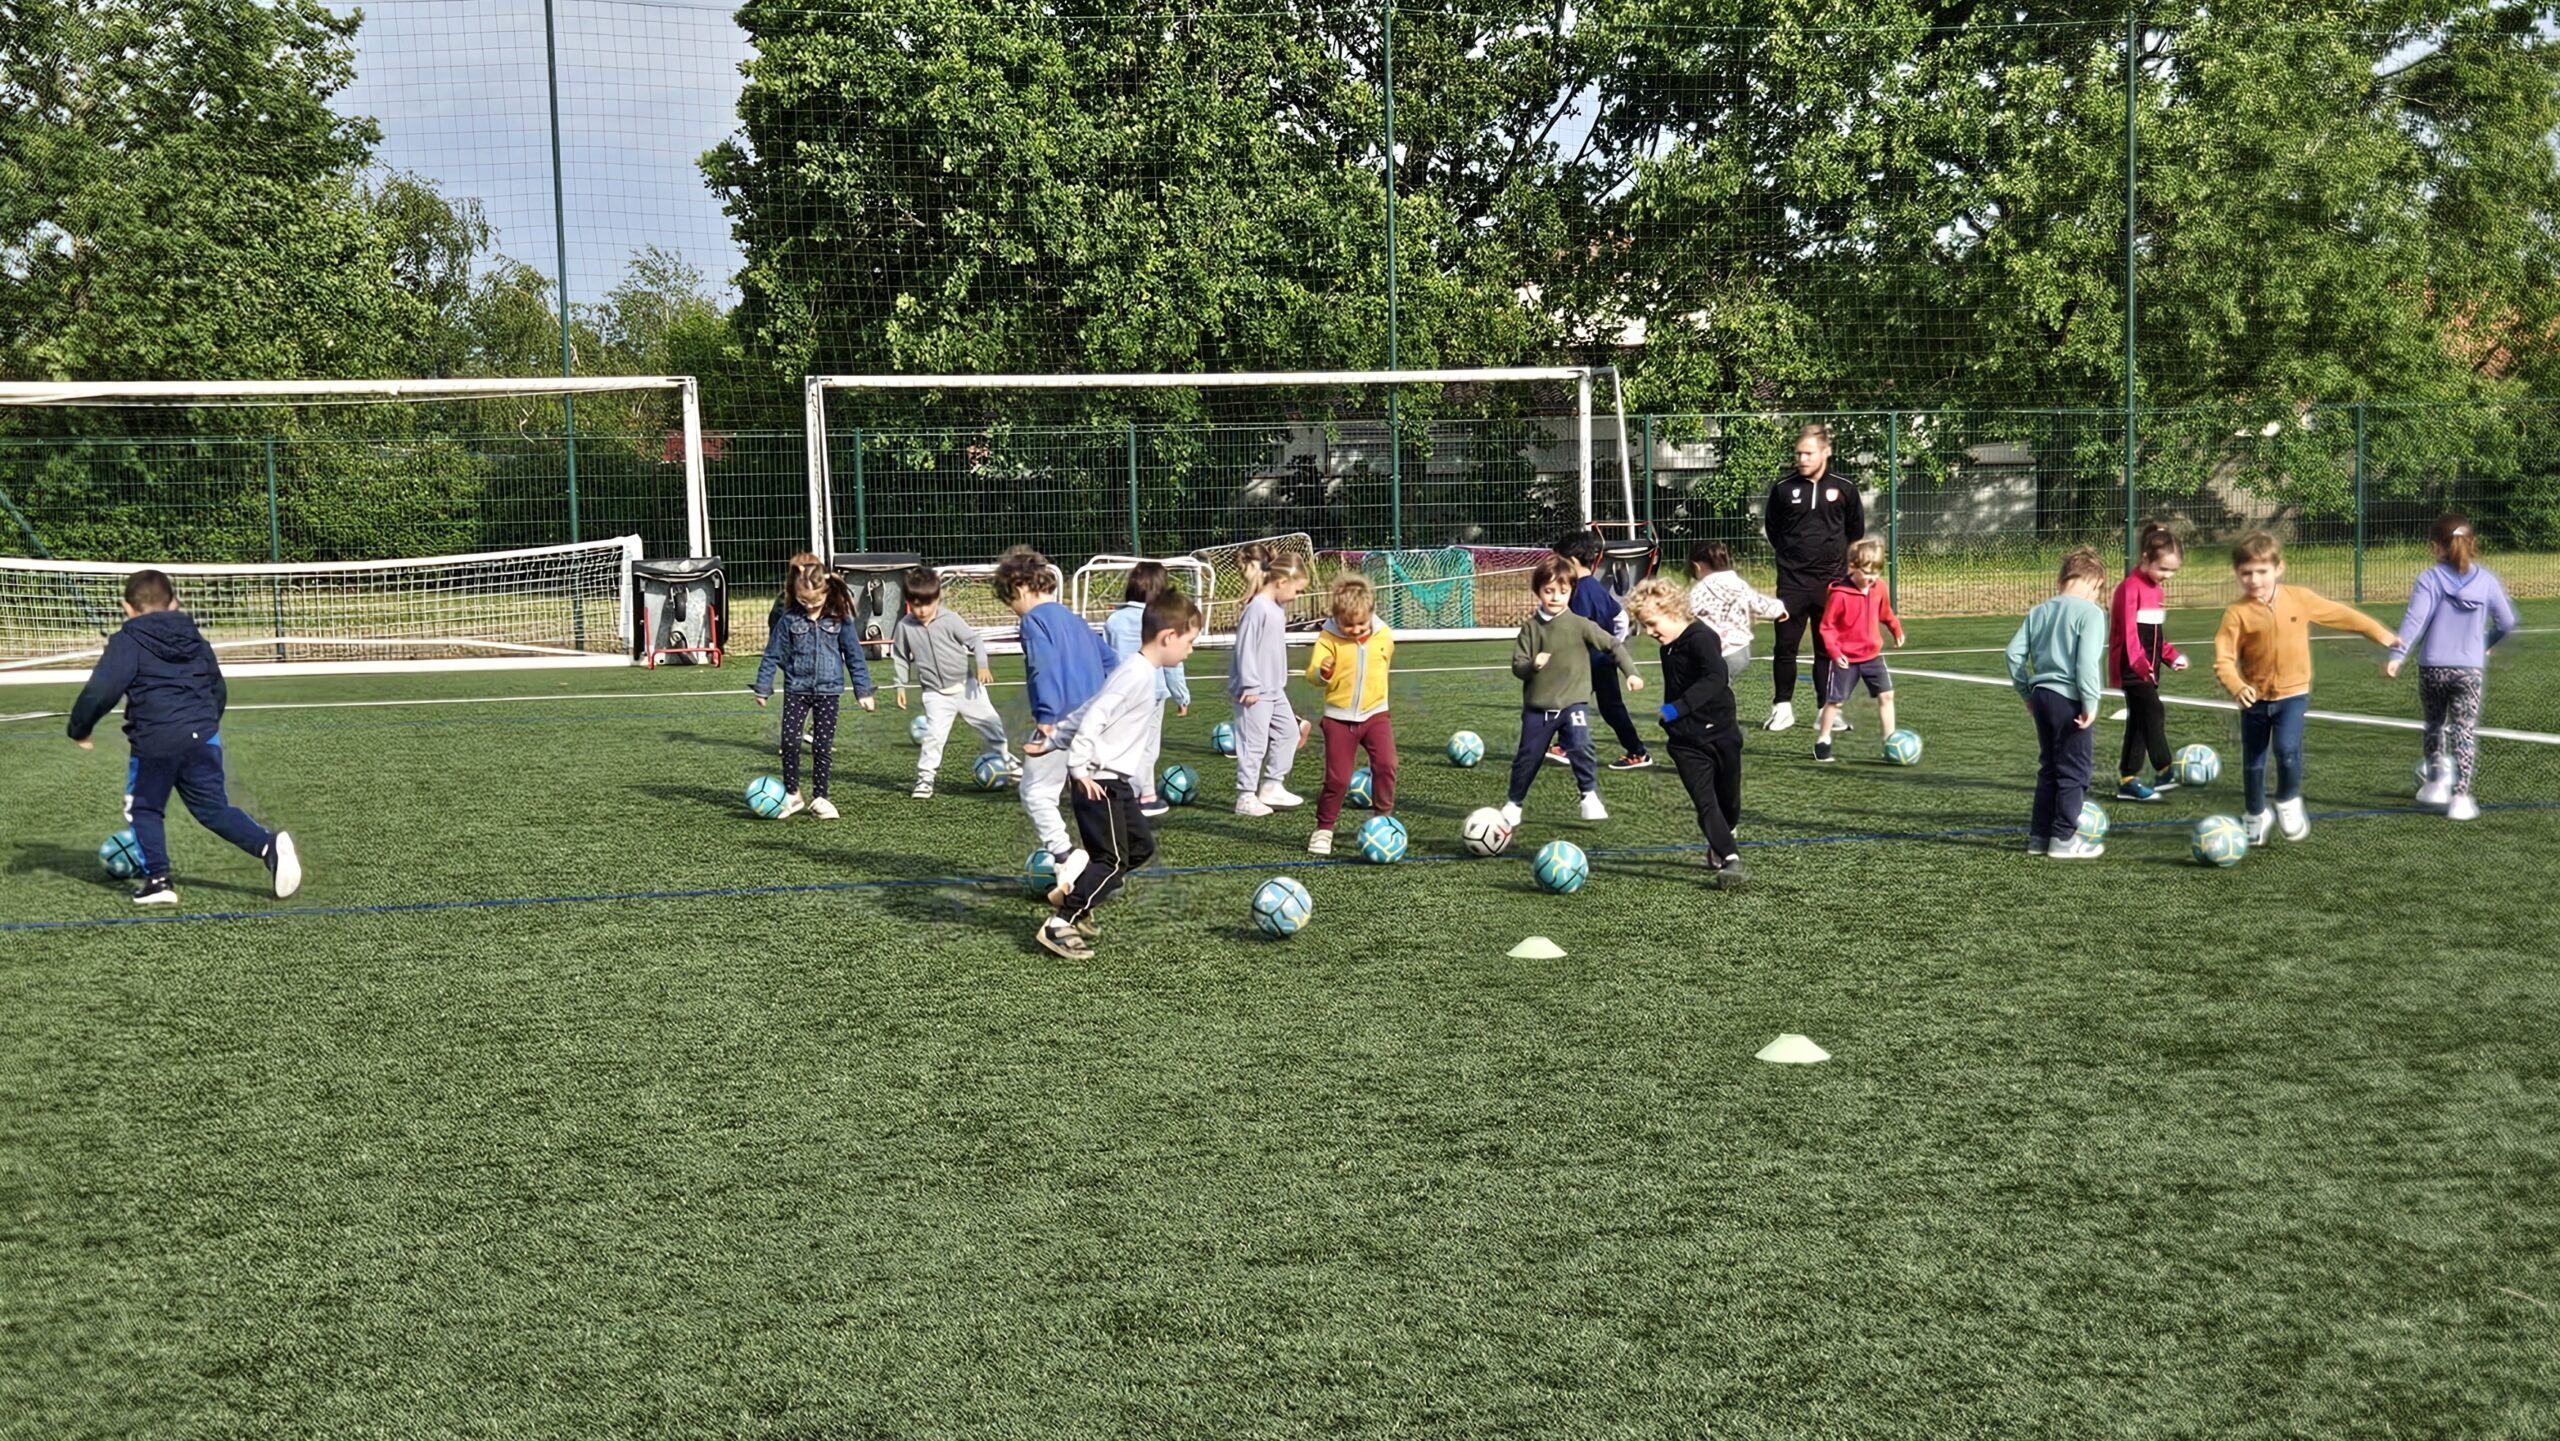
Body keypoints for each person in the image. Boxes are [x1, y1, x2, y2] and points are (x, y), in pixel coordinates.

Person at [66, 569, 302, 905]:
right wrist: (204, 725)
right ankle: (268, 845)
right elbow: (217, 687)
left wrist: (79, 729)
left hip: (156, 741)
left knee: (144, 808)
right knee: (213, 809)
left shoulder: (128, 640)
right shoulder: (195, 637)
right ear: (174, 602)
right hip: (202, 737)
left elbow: (101, 690)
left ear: (127, 606)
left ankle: (158, 881)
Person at [1035, 591, 1203, 960]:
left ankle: (1077, 892)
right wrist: (1078, 768)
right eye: (1189, 642)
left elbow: (1090, 709)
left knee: (1140, 847)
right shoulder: (1137, 674)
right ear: (1168, 637)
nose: (1190, 651)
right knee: (1111, 861)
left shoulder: (1139, 671)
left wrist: (1054, 741)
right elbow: (1095, 716)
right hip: (1099, 783)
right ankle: (1060, 923)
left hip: (1115, 783)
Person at [2211, 531, 2399, 844]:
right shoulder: (2237, 614)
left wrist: (2381, 634)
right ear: (2237, 573)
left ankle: (2287, 801)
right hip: (2254, 700)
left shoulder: (2299, 599)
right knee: (2254, 762)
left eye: (2262, 571)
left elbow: (2341, 615)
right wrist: (2237, 685)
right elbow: (2224, 659)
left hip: (2293, 695)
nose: (2254, 580)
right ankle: (2255, 814)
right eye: (2246, 573)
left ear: (2278, 568)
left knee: (2287, 751)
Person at [2384, 512, 2517, 822]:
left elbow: (2415, 620)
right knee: (2464, 731)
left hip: (2433, 668)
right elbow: (2507, 621)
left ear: (2435, 546)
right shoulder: (2487, 580)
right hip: (2469, 669)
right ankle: (2460, 798)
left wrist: (2397, 656)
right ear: (2473, 543)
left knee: (2434, 725)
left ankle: (2435, 784)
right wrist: (2485, 642)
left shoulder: (2429, 579)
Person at [998, 546, 1115, 891]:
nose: (1015, 611)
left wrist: (1046, 715)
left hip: (1061, 719)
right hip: (1096, 719)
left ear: (1020, 589)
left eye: (1011, 603)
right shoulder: (1076, 620)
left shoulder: (1033, 621)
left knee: (1036, 791)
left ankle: (1065, 855)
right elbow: (1112, 663)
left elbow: (1043, 665)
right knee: (1092, 792)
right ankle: (1106, 867)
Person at [1501, 556, 1644, 828]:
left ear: (1571, 591)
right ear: (1538, 591)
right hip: (1539, 706)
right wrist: (1533, 665)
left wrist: (1632, 673)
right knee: (1528, 757)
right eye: (1549, 590)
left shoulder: (1581, 624)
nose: (1555, 597)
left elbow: (1613, 645)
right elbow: (1518, 666)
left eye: (1563, 591)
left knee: (1581, 745)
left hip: (1573, 703)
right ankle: (1514, 803)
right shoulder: (1530, 628)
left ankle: (1589, 796)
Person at [1627, 577, 1747, 888]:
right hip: (1686, 743)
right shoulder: (1667, 648)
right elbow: (1676, 687)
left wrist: (1677, 708)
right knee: (1705, 802)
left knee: (1729, 802)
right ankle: (1731, 859)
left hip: (1721, 732)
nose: (1650, 632)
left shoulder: (1701, 638)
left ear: (1672, 611)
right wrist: (1672, 719)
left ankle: (1724, 834)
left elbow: (1716, 676)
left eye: (1652, 623)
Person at [752, 554, 876, 819]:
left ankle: (821, 797)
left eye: (815, 601)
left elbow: (854, 656)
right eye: (803, 601)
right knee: (789, 742)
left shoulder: (840, 619)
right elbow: (772, 654)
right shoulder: (789, 619)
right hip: (796, 689)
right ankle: (793, 794)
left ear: (827, 592)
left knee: (822, 746)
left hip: (829, 691)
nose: (809, 606)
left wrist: (863, 691)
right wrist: (763, 686)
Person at [2006, 548, 2112, 859]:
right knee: (2075, 770)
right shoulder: (2091, 613)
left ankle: (2039, 838)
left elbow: (2012, 654)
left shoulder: (2038, 611)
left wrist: (2026, 692)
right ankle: (2064, 839)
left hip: (2041, 696)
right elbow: (2086, 663)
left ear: (2061, 580)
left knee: (2050, 767)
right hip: (2069, 698)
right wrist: (2090, 702)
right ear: (2095, 584)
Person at [1761, 422, 1865, 731]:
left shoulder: (1845, 488)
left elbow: (1855, 531)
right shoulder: (1783, 488)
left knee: (1827, 648)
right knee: (1785, 646)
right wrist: (1793, 557)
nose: (1802, 459)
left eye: (1809, 453)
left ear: (1826, 452)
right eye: (1799, 454)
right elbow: (1773, 529)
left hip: (1831, 583)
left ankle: (1826, 712)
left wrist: (1837, 564)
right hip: (1792, 583)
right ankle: (1782, 708)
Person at [890, 566, 1013, 800]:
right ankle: (925, 779)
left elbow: (975, 641)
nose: (922, 610)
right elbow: (901, 657)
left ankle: (1006, 764)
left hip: (968, 688)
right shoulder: (905, 626)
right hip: (935, 694)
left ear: (937, 598)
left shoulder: (950, 619)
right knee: (934, 737)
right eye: (916, 604)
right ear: (908, 602)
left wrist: (982, 665)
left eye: (927, 604)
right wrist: (900, 685)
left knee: (993, 727)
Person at [1302, 576, 1396, 855]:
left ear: (1371, 613)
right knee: (1338, 779)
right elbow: (1312, 675)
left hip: (1376, 715)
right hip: (1339, 719)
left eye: (1362, 624)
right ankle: (1323, 829)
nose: (1355, 630)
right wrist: (1323, 671)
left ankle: (1383, 819)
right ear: (1336, 617)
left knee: (1387, 765)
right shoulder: (1327, 639)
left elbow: (1383, 665)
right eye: (1348, 625)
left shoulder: (1384, 635)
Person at [1550, 529, 1651, 771]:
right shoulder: (1592, 587)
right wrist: (1614, 645)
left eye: (1559, 562)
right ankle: (1566, 746)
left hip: (1589, 660)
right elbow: (1620, 618)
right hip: (1599, 659)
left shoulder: (1582, 592)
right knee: (1583, 703)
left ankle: (1638, 752)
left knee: (1598, 706)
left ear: (1572, 561)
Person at [1103, 561, 1193, 817]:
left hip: (1122, 693)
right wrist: (1181, 696)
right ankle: (1143, 797)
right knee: (1148, 747)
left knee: (1124, 743)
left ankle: (1127, 792)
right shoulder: (1161, 620)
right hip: (1152, 692)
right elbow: (1173, 663)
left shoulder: (1114, 620)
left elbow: (1106, 658)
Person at [2109, 524, 2190, 802]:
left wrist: (2171, 657)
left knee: (2140, 720)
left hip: (2149, 670)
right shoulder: (2129, 588)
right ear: (2145, 558)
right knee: (2153, 711)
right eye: (2163, 568)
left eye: (2173, 571)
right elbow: (2130, 635)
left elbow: (2156, 636)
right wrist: (2141, 665)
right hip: (2132, 668)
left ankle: (2128, 780)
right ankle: (2165, 769)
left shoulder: (2157, 592)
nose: (2167, 575)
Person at [1229, 550, 1312, 816]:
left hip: (1274, 690)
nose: (1296, 596)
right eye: (1297, 590)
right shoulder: (1257, 608)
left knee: (1289, 732)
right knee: (1253, 744)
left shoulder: (1276, 608)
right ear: (1282, 582)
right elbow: (1245, 649)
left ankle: (1272, 786)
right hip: (1254, 692)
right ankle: (1245, 797)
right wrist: (1250, 685)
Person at [1813, 537, 1903, 763]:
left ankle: (1890, 742)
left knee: (1887, 695)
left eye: (1877, 573)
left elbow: (1886, 613)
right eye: (1867, 573)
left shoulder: (1879, 588)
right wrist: (1835, 653)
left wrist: (1896, 629)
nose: (1872, 578)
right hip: (1846, 659)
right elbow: (1827, 627)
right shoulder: (1840, 594)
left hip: (1872, 656)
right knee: (1835, 701)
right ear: (1853, 567)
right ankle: (1823, 740)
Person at [1686, 539, 1788, 677]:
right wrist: (1779, 609)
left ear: (1697, 566)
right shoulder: (1738, 584)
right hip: (1740, 650)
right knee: (1720, 683)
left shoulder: (1699, 591)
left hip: (1715, 651)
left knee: (1709, 684)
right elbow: (1758, 603)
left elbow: (1686, 612)